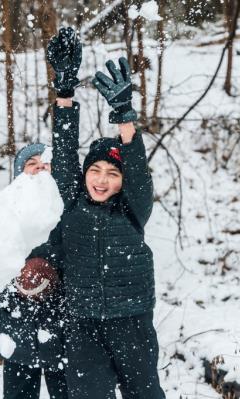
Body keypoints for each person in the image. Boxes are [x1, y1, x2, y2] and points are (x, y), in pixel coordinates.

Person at [46, 27, 165, 399]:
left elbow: (138, 172)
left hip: (131, 319)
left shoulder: (132, 210)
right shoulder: (72, 203)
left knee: (143, 393)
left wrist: (124, 115)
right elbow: (65, 153)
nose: (101, 179)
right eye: (95, 171)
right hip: (83, 323)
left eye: (112, 174)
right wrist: (64, 94)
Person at [0, 143, 67, 399]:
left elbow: (83, 276)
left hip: (64, 342)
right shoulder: (2, 218)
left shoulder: (68, 214)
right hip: (18, 343)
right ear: (19, 174)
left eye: (45, 164)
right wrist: (16, 291)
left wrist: (52, 282)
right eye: (31, 164)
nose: (39, 169)